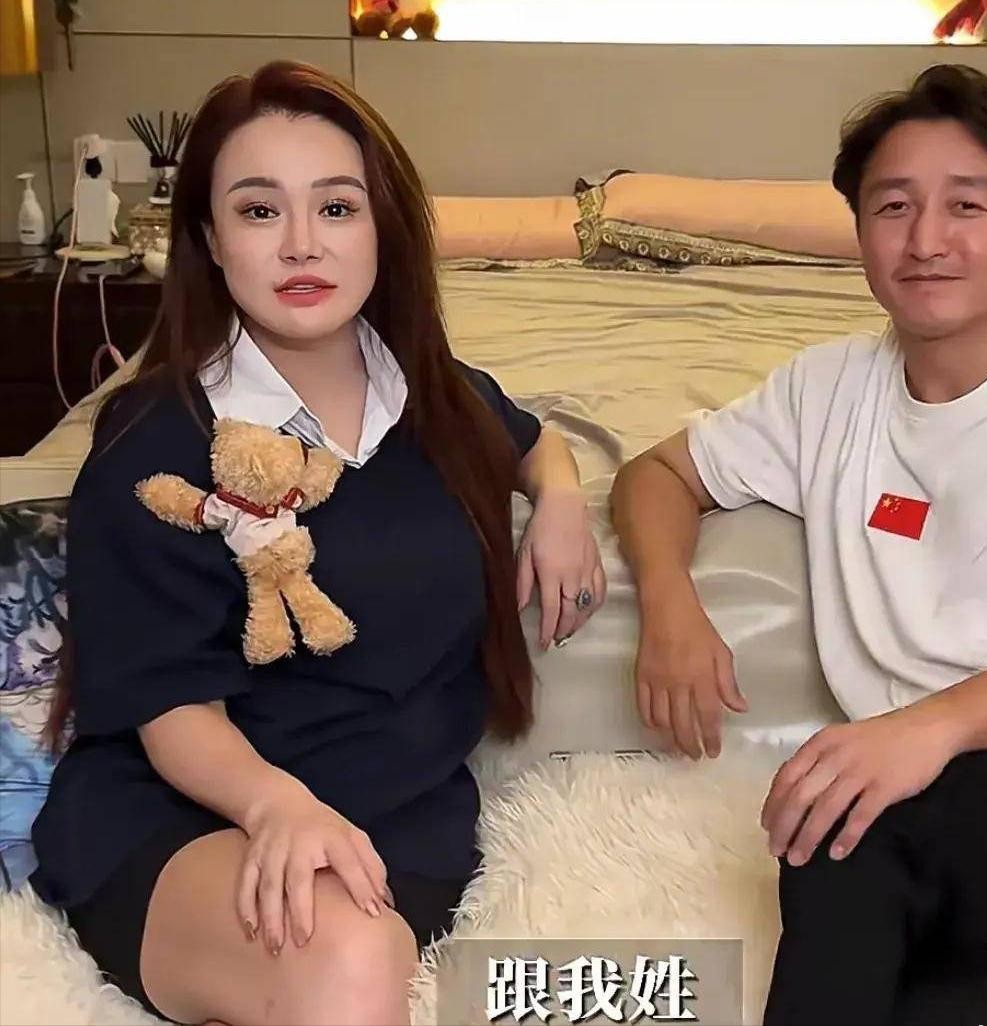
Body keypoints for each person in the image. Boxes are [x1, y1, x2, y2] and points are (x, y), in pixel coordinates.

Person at [31, 60, 605, 1026]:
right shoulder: (158, 440)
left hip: (403, 811)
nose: (302, 243)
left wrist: (560, 500)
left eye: (337, 208)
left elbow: (531, 440)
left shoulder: (434, 392)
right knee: (349, 964)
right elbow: (168, 703)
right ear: (210, 240)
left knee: (653, 990)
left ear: (384, 228)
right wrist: (275, 807)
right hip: (200, 811)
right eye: (259, 211)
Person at [610, 64, 987, 1025]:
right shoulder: (827, 387)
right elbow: (657, 473)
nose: (925, 241)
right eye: (892, 207)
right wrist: (669, 605)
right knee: (941, 973)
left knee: (845, 823)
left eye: (967, 206)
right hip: (970, 825)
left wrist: (925, 729)